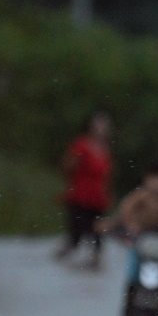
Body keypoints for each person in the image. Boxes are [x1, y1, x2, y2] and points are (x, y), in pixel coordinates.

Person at [55, 111, 113, 268]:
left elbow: (106, 176)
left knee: (98, 233)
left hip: (98, 199)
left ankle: (94, 261)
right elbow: (67, 167)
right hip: (80, 196)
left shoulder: (106, 150)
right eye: (98, 125)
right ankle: (65, 258)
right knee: (77, 233)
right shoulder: (80, 145)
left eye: (104, 126)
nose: (101, 129)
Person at [98, 162, 158, 239]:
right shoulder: (144, 194)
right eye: (157, 177)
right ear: (148, 178)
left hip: (157, 231)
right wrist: (131, 225)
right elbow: (126, 207)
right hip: (134, 227)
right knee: (107, 227)